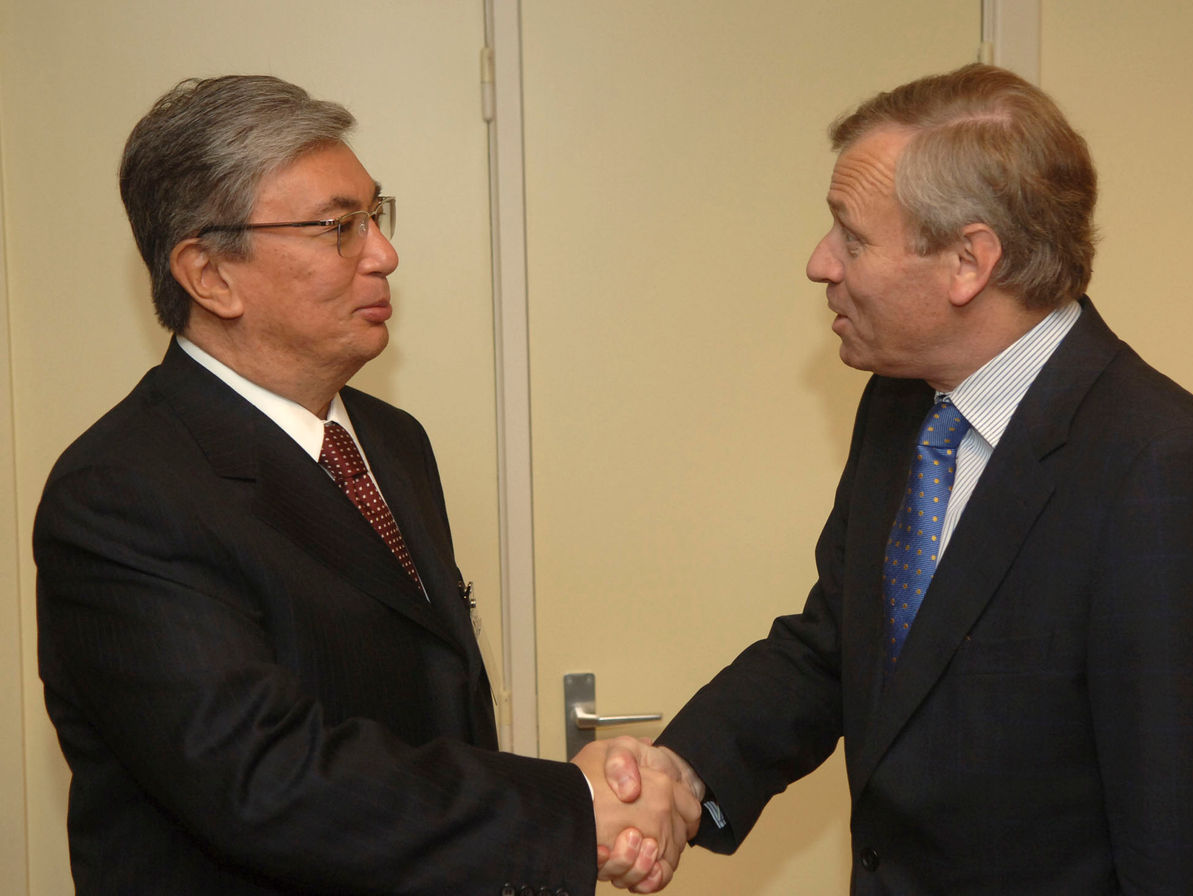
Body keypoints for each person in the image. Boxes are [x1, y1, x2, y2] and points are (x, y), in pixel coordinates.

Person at [602, 63, 1193, 894]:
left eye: (851, 238)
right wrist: (682, 775)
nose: (820, 264)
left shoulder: (1169, 478)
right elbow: (838, 648)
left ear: (970, 261)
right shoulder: (901, 405)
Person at [34, 75, 697, 896]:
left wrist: (573, 812)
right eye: (339, 228)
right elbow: (266, 781)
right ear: (210, 275)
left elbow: (431, 709)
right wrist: (573, 806)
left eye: (375, 216)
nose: (383, 253)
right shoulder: (122, 493)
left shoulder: (390, 440)